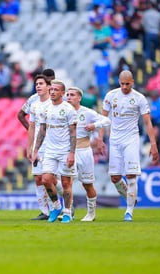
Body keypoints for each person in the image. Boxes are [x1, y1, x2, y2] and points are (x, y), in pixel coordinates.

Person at [98, 70, 159, 222]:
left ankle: (129, 211)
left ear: (132, 82)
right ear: (119, 82)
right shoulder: (111, 96)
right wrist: (100, 139)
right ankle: (131, 198)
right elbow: (103, 119)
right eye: (122, 84)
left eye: (127, 84)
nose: (125, 87)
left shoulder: (139, 98)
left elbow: (147, 122)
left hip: (131, 139)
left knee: (131, 175)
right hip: (114, 140)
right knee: (115, 178)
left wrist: (153, 144)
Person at [32, 79, 77, 223]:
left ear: (62, 93)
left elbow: (73, 133)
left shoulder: (69, 109)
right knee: (45, 179)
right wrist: (35, 151)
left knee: (65, 183)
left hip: (65, 151)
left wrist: (72, 153)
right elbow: (42, 131)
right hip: (50, 151)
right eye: (51, 90)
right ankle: (56, 206)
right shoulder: (46, 109)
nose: (52, 92)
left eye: (56, 90)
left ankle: (68, 212)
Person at [66, 87, 110, 221]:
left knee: (87, 184)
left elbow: (107, 121)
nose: (68, 97)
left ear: (79, 98)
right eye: (67, 94)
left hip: (84, 151)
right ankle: (67, 211)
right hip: (68, 151)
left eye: (72, 95)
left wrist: (94, 125)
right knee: (66, 183)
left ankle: (91, 213)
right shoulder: (62, 112)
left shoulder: (87, 112)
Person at [27, 75, 52, 220]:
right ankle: (45, 211)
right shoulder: (34, 104)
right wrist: (29, 147)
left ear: (49, 86)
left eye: (41, 83)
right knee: (38, 178)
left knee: (49, 179)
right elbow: (32, 127)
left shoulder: (53, 104)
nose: (38, 86)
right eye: (36, 84)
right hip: (38, 146)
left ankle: (63, 205)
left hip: (51, 145)